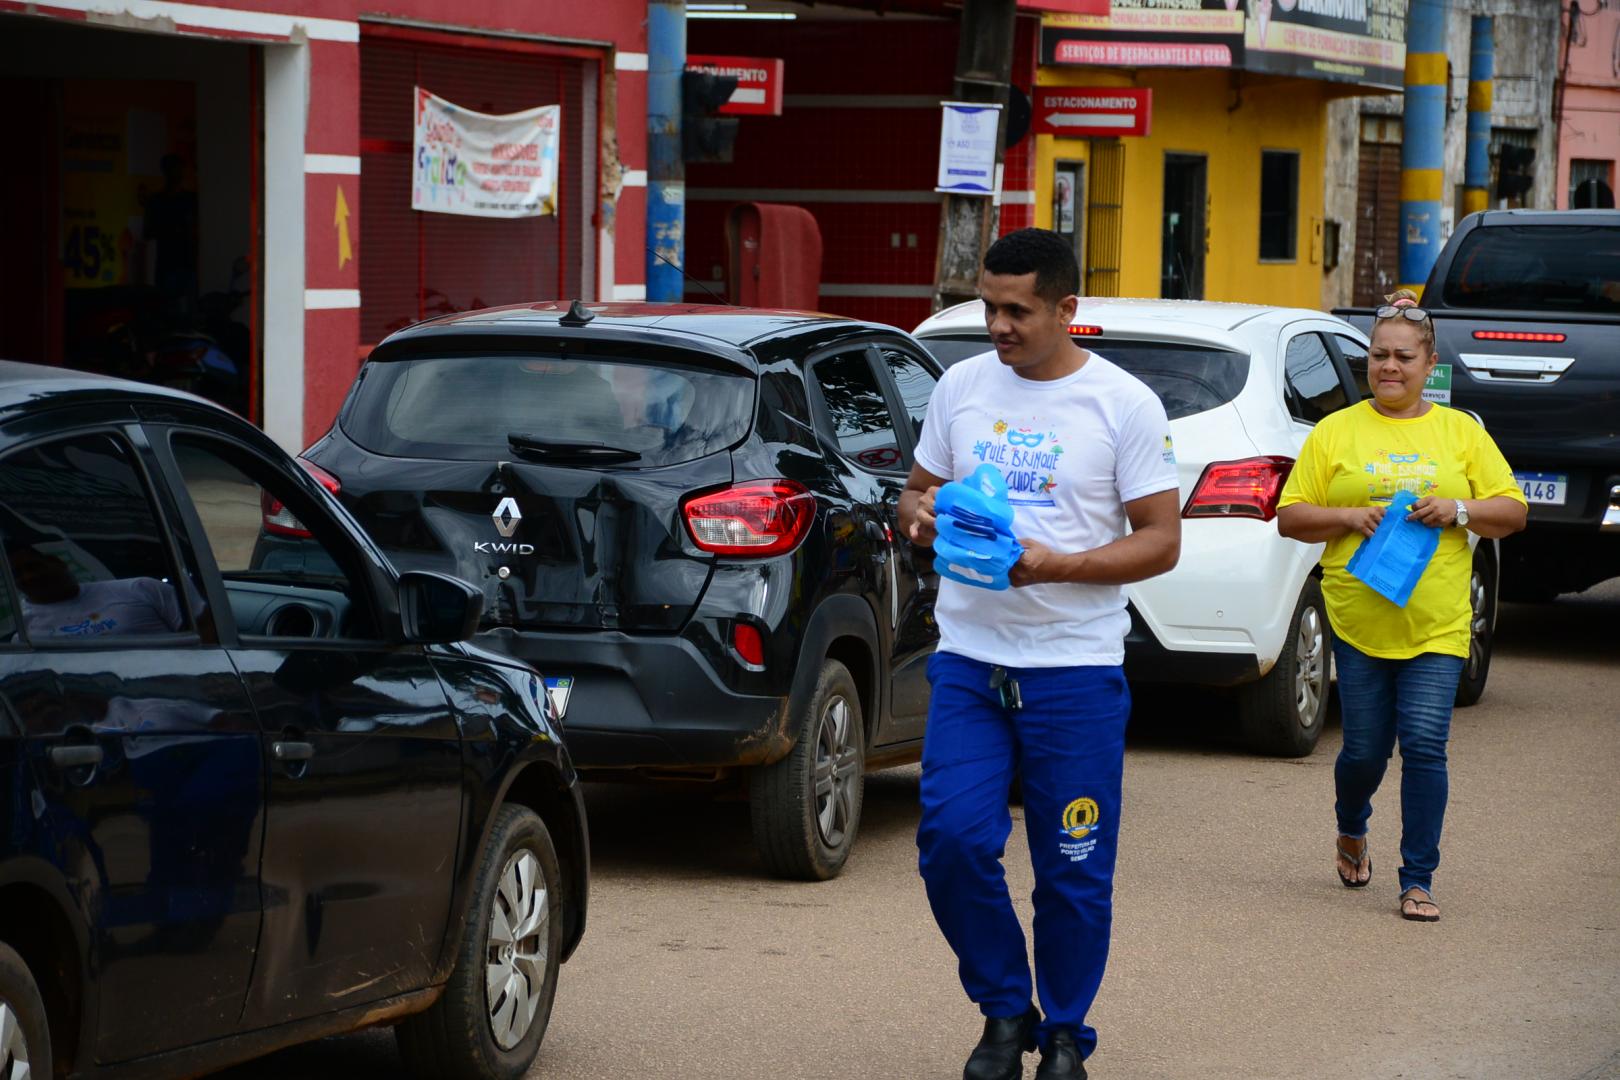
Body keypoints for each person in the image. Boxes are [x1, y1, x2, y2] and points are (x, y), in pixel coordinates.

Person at [898, 228, 1181, 1080]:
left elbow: (1162, 540)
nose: (998, 325)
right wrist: (918, 516)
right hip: (971, 660)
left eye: (1017, 310)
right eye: (988, 306)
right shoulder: (960, 387)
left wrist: (1060, 565)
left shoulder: (1124, 405)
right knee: (951, 840)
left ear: (1067, 309)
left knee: (1072, 868)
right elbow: (915, 493)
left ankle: (1064, 1031)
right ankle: (1003, 1011)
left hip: (1075, 669)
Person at [1275, 289, 1527, 922]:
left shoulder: (1460, 433)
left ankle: (1418, 879)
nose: (1389, 366)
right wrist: (1346, 515)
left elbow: (1513, 511)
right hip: (1359, 619)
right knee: (1362, 751)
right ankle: (1351, 824)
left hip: (1437, 622)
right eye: (1380, 355)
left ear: (1429, 361)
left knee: (1423, 745)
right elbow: (1289, 517)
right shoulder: (1336, 431)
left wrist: (1458, 509)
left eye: (1404, 357)